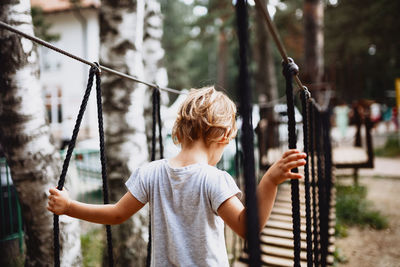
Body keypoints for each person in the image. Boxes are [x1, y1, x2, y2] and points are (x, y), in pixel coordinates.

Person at [47, 86, 306, 266]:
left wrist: (69, 207)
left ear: (180, 131)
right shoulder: (213, 179)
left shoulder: (150, 172)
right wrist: (269, 181)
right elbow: (247, 227)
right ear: (225, 136)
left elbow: (116, 214)